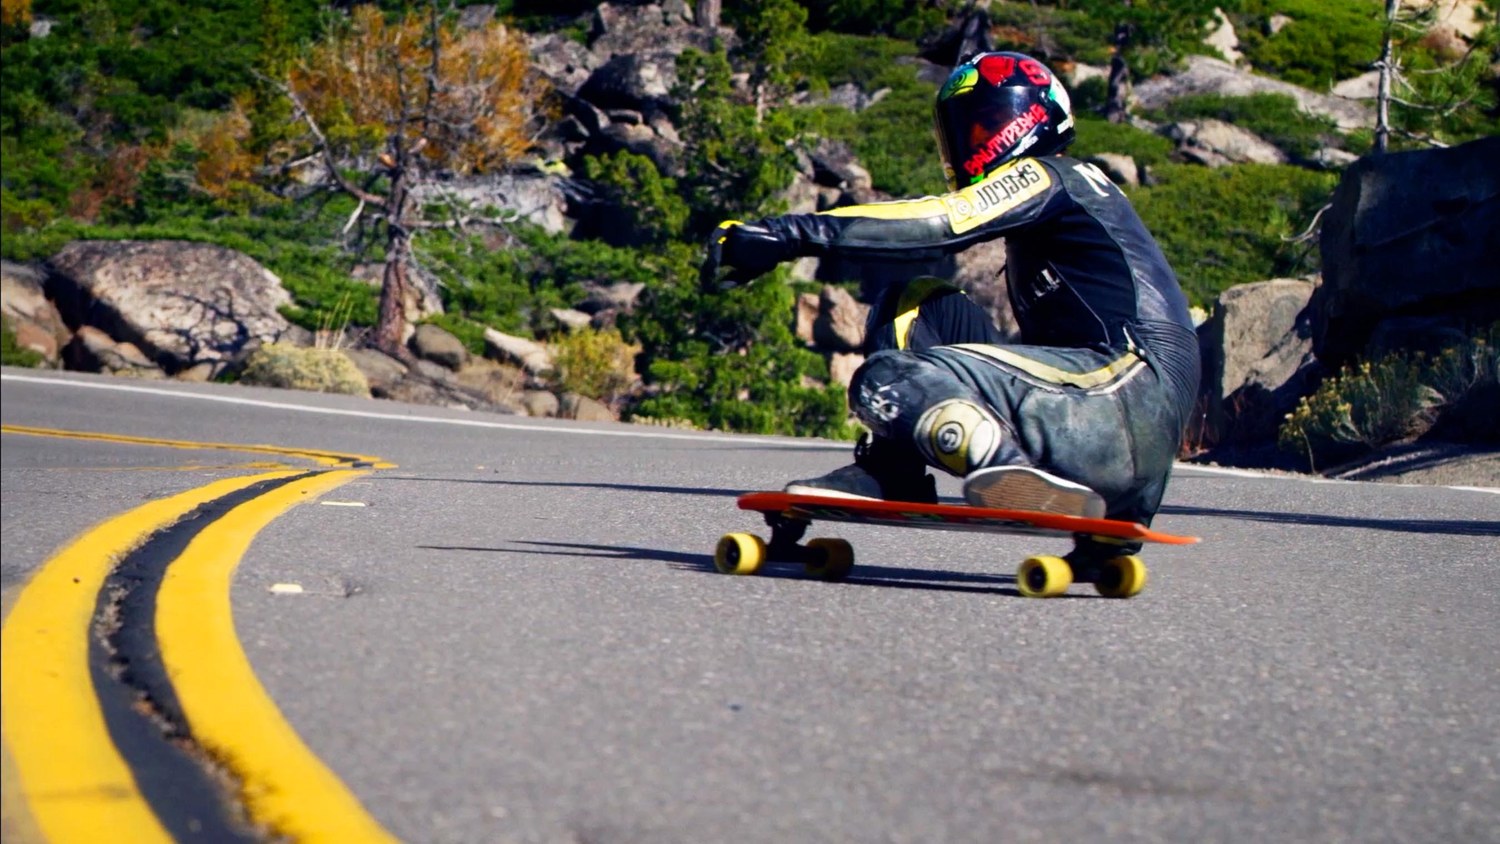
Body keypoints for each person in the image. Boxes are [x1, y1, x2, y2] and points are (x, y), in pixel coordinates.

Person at [699, 51, 1201, 567]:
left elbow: (944, 222)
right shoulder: (1076, 209)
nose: (965, 149)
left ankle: (999, 464)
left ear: (1025, 121)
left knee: (885, 378)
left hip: (1121, 390)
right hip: (1119, 430)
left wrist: (787, 235)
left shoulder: (1052, 176)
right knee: (911, 303)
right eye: (958, 135)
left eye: (981, 130)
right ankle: (896, 473)